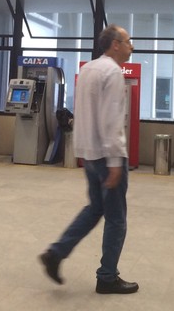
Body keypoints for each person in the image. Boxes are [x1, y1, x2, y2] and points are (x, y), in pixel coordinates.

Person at [39, 24, 138, 294]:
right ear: (115, 44)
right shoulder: (113, 72)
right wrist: (116, 162)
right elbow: (112, 119)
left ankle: (56, 252)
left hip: (90, 153)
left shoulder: (88, 69)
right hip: (108, 156)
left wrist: (84, 151)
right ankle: (107, 277)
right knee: (116, 218)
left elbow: (85, 113)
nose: (132, 46)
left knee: (96, 208)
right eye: (128, 41)